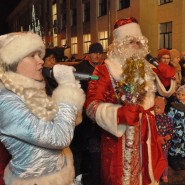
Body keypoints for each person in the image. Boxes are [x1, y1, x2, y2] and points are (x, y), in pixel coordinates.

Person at [85, 17, 176, 185]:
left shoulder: (148, 66)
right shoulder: (105, 69)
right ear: (119, 44)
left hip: (148, 133)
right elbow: (91, 106)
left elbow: (166, 90)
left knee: (149, 175)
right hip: (119, 138)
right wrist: (118, 114)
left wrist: (167, 80)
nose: (136, 45)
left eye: (138, 41)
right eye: (130, 41)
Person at [0, 32, 85, 185]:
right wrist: (67, 89)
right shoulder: (5, 101)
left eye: (40, 55)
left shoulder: (30, 91)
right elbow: (59, 137)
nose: (41, 61)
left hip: (61, 176)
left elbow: (69, 122)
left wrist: (70, 95)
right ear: (13, 62)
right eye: (33, 55)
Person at [70, 42, 104, 185]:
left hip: (98, 113)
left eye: (99, 53)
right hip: (82, 112)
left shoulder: (103, 68)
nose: (97, 55)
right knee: (80, 145)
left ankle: (90, 173)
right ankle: (78, 174)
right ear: (89, 54)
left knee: (95, 145)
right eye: (94, 52)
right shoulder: (80, 68)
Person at [154, 96, 175, 183]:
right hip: (155, 143)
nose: (156, 110)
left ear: (162, 108)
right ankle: (156, 174)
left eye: (158, 108)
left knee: (164, 159)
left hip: (164, 144)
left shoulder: (167, 119)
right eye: (154, 107)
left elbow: (172, 130)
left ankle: (164, 174)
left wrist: (169, 136)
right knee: (155, 159)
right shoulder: (152, 118)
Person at [167, 85, 185, 171]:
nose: (180, 97)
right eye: (178, 94)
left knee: (182, 146)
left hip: (184, 131)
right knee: (175, 145)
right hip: (177, 131)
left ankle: (180, 159)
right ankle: (172, 160)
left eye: (182, 95)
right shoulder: (174, 106)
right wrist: (170, 128)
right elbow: (169, 118)